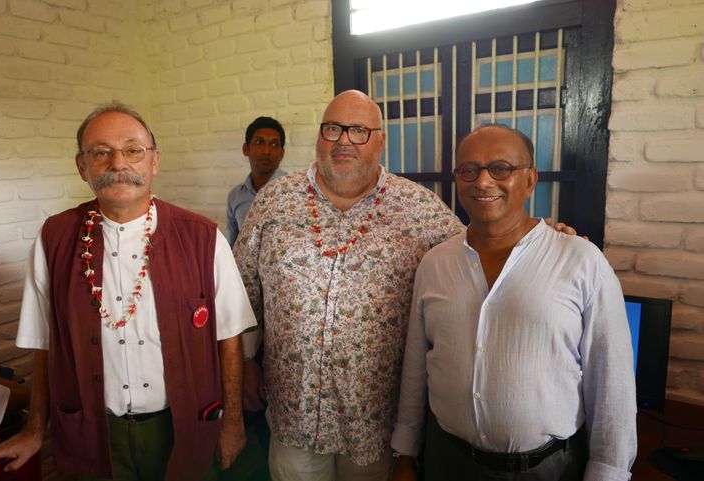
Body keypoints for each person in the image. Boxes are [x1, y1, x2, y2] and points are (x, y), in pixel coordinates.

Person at [0, 103, 257, 481]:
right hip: (93, 435)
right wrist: (34, 429)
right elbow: (44, 345)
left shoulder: (202, 237)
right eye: (101, 152)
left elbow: (229, 339)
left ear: (154, 161)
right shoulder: (54, 239)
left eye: (133, 150)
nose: (119, 163)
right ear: (82, 166)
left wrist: (232, 424)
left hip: (182, 429)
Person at [233, 90, 465, 481]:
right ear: (319, 136)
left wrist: (543, 238)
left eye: (358, 130)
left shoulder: (419, 208)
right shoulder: (275, 200)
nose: (343, 140)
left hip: (373, 420)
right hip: (295, 414)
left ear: (380, 140)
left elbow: (476, 256)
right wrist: (246, 362)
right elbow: (243, 289)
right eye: (333, 128)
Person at [390, 124, 637, 481]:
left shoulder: (582, 261)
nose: (483, 181)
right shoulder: (435, 263)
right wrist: (405, 453)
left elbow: (611, 382)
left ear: (530, 179)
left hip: (547, 469)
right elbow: (417, 365)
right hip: (446, 460)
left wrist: (608, 472)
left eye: (501, 168)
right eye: (468, 170)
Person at [225, 116, 286, 247]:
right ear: (246, 149)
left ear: (281, 153)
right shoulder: (235, 196)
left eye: (274, 144)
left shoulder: (295, 191)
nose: (266, 151)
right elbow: (232, 246)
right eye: (259, 142)